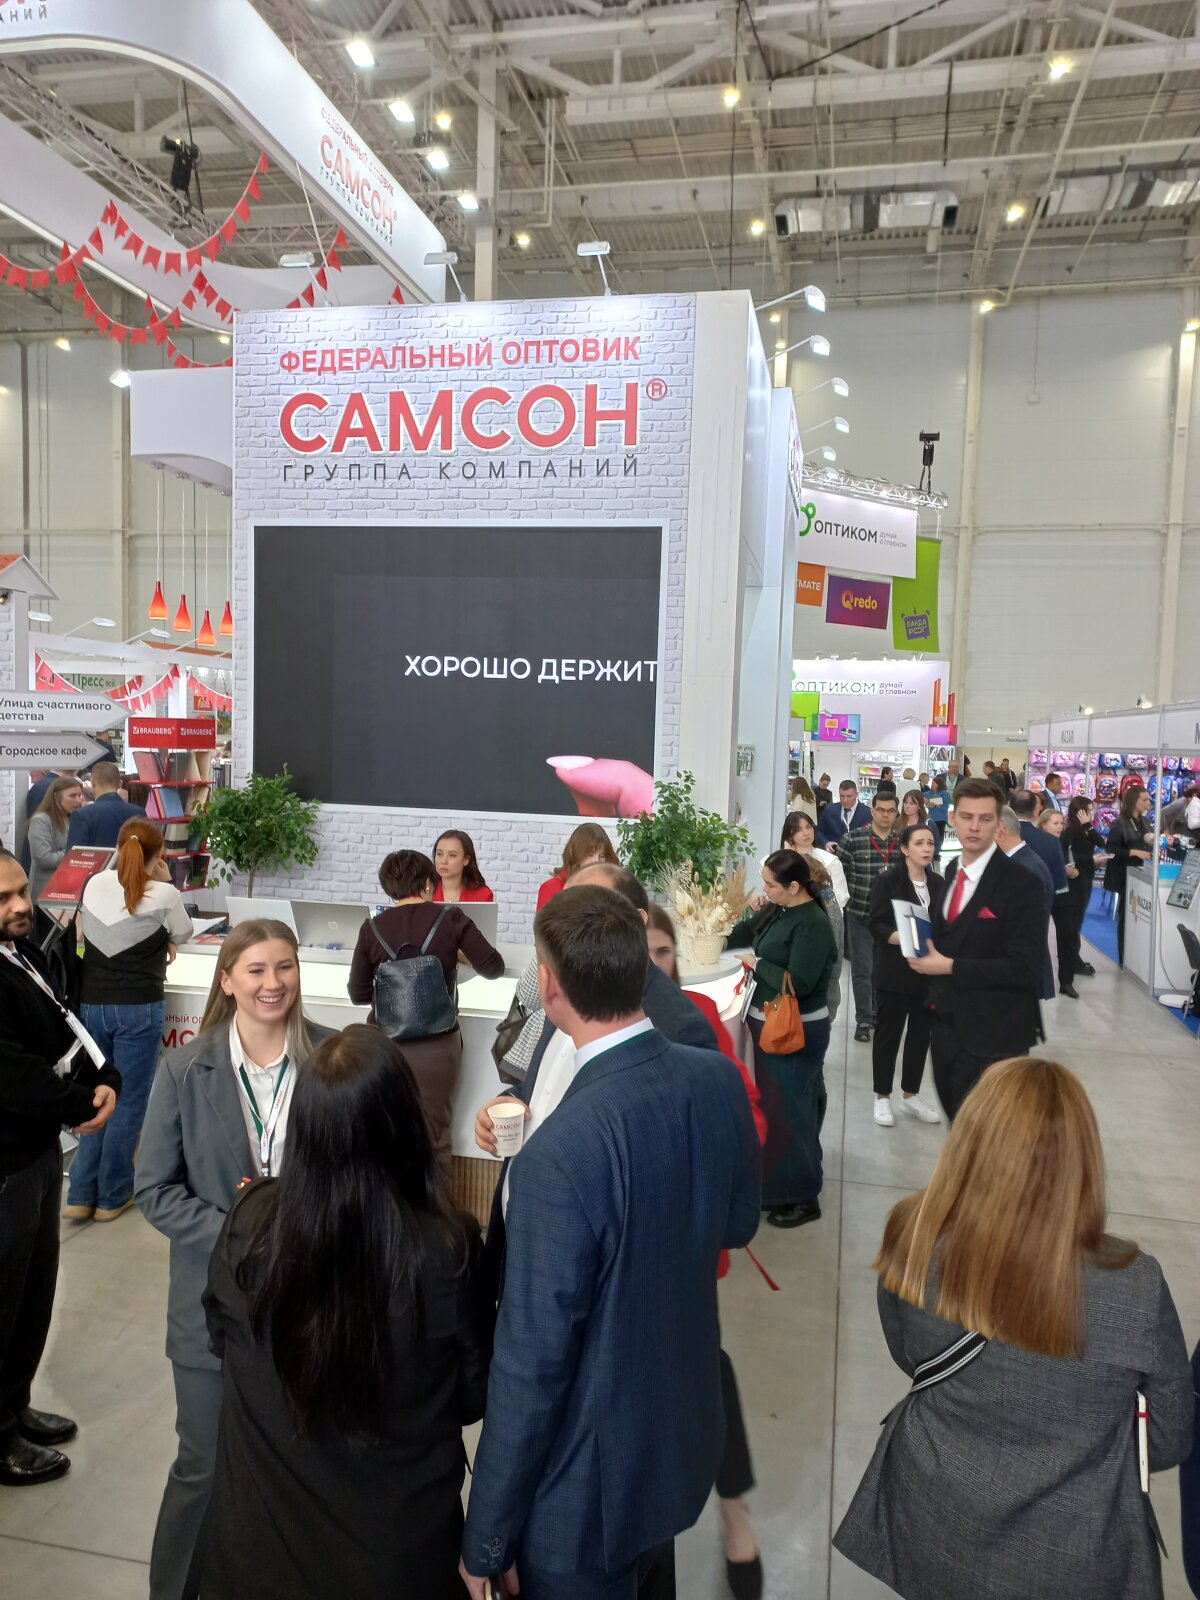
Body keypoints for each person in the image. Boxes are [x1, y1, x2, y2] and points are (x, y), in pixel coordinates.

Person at [459, 886, 761, 1600]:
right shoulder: (716, 1077)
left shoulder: (557, 1157)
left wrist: (486, 1539)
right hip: (676, 1446)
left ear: (550, 987)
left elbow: (531, 1374)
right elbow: (737, 1225)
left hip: (583, 1499)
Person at [835, 1058, 1193, 1600]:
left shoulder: (913, 1236)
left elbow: (909, 1354)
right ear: (1083, 1159)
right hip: (1072, 1555)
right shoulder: (1135, 1286)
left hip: (935, 1517)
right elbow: (1166, 1439)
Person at [200, 1026, 491, 1600]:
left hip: (255, 1559)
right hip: (396, 1559)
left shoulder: (249, 1224)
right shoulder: (446, 1251)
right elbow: (473, 1394)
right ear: (404, 1123)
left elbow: (221, 1341)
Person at [136, 920, 334, 1600]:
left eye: (285, 967)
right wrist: (243, 1234)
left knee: (302, 1468)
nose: (272, 983)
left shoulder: (332, 1061)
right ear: (226, 980)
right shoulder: (185, 1070)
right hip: (211, 1311)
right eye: (255, 969)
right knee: (204, 1466)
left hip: (309, 1308)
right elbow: (154, 1190)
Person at [645, 905, 768, 1600]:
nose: (652, 966)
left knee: (704, 1367)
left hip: (685, 1244)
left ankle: (734, 1511)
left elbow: (748, 1115)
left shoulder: (695, 1017)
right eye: (641, 952)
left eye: (663, 952)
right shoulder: (581, 1018)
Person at [0, 848, 120, 1486]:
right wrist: (81, 1104)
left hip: (37, 1151)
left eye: (21, 890)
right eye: (3, 899)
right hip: (7, 1161)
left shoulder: (21, 951)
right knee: (3, 1300)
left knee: (31, 1292)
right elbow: (14, 1074)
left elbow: (64, 1025)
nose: (21, 906)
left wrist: (105, 1077)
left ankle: (12, 1406)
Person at [64, 820, 193, 1222]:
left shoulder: (94, 884)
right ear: (160, 855)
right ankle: (113, 1195)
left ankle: (80, 1194)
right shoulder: (166, 894)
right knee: (129, 1099)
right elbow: (184, 932)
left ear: (119, 848)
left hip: (93, 1004)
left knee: (95, 1093)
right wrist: (162, 880)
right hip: (139, 1005)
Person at [348, 849, 504, 1165]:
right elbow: (493, 968)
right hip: (437, 1046)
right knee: (434, 1140)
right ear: (429, 884)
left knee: (383, 1140)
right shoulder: (451, 918)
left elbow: (358, 993)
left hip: (382, 1047)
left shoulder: (371, 928)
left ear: (389, 887)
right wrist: (458, 955)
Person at [907, 779, 1045, 1122]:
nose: (974, 826)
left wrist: (950, 966)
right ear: (952, 818)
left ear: (999, 825)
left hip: (996, 1037)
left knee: (989, 1140)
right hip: (946, 1029)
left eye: (985, 819)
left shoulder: (1022, 883)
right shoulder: (953, 870)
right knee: (957, 1129)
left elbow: (1026, 969)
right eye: (967, 817)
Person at [726, 850, 838, 1228]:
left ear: (793, 887)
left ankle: (803, 1197)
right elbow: (747, 934)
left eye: (770, 885)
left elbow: (799, 983)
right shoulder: (780, 909)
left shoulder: (813, 923)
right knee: (781, 1109)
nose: (765, 890)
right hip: (772, 1025)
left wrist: (757, 964)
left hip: (797, 1030)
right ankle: (783, 1185)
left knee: (792, 1113)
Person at [867, 825, 944, 1128]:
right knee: (888, 1035)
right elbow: (877, 925)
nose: (926, 849)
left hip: (929, 973)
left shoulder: (938, 882)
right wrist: (910, 939)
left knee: (921, 1036)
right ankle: (882, 1096)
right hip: (895, 972)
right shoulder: (888, 881)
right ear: (904, 848)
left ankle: (910, 1094)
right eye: (919, 843)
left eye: (930, 843)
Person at [836, 790, 901, 1043]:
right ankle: (863, 1018)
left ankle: (878, 1013)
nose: (885, 815)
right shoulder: (853, 839)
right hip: (860, 914)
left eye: (890, 810)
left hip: (891, 919)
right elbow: (839, 876)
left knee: (883, 970)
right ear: (872, 811)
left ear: (896, 813)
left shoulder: (903, 843)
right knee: (862, 970)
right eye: (880, 810)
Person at [995, 806, 1055, 1001]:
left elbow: (1026, 929)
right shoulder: (1019, 862)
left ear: (1000, 830)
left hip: (1020, 972)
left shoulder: (1027, 870)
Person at [1104, 786, 1154, 967]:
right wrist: (1133, 852)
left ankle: (1136, 959)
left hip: (1143, 875)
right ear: (1134, 801)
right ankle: (1124, 960)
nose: (1148, 803)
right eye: (1144, 800)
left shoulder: (1146, 822)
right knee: (1126, 919)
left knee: (1139, 918)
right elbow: (1111, 850)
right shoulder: (1120, 823)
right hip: (1124, 876)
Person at [1038, 807, 1083, 996]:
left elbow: (1077, 865)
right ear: (1043, 825)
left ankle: (1066, 981)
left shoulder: (1064, 842)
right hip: (1042, 894)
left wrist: (1074, 871)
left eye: (1061, 823)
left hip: (1064, 895)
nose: (1060, 827)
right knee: (1037, 936)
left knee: (1067, 938)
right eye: (1055, 823)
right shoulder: (1038, 843)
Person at [1062, 796, 1104, 981]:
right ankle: (1072, 959)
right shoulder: (1070, 831)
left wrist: (1089, 826)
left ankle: (1073, 957)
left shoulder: (1086, 830)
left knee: (1077, 921)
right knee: (1073, 921)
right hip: (1075, 880)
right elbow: (1068, 855)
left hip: (1086, 878)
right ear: (1079, 812)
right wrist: (1090, 860)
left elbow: (1101, 843)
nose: (1092, 813)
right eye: (1089, 810)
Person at [536, 821, 619, 910]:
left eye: (602, 856)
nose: (597, 861)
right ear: (576, 854)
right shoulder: (551, 888)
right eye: (590, 855)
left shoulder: (611, 887)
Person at [26, 775, 84, 902]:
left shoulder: (73, 819)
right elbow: (43, 858)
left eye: (80, 795)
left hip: (69, 891)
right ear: (56, 797)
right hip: (46, 892)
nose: (79, 800)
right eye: (72, 796)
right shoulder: (41, 820)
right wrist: (75, 855)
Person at [64, 760, 144, 849]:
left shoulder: (82, 815)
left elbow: (74, 854)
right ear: (120, 783)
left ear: (93, 783)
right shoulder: (139, 813)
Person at [780, 809, 849, 908]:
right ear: (789, 835)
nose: (806, 833)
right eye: (798, 829)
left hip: (824, 913)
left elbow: (841, 897)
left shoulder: (830, 860)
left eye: (808, 827)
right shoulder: (779, 861)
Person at [431, 829, 494, 903]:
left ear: (466, 860)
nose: (443, 861)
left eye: (452, 855)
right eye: (439, 854)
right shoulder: (424, 893)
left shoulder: (482, 894)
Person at [816, 779, 871, 850]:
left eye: (849, 796)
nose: (845, 800)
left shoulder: (868, 813)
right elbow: (819, 832)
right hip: (834, 853)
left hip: (857, 854)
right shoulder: (829, 810)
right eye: (842, 796)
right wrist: (825, 843)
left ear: (856, 795)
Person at [924, 776, 950, 849]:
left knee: (939, 835)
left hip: (941, 818)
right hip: (931, 818)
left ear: (938, 784)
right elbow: (921, 796)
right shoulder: (928, 793)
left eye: (933, 783)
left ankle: (938, 850)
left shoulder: (944, 793)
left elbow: (945, 806)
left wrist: (935, 804)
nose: (931, 785)